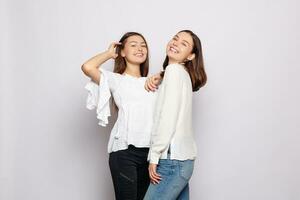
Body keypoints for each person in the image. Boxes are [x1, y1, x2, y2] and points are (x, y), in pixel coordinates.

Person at [81, 32, 159, 200]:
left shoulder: (154, 83)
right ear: (122, 52)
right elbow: (88, 67)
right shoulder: (115, 79)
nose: (140, 48)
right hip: (124, 152)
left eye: (143, 45)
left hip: (150, 156)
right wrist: (109, 54)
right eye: (133, 45)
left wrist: (160, 76)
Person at [143, 30, 207, 200]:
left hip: (171, 160)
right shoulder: (182, 74)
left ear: (191, 56)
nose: (175, 43)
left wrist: (154, 155)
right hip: (184, 161)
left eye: (184, 44)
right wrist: (161, 75)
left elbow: (168, 117)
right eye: (175, 38)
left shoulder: (173, 71)